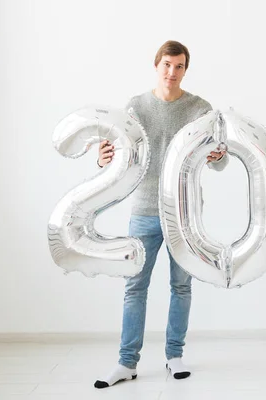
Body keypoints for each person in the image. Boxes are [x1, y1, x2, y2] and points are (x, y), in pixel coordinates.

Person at [94, 40, 227, 389]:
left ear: (186, 69)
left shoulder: (200, 108)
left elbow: (221, 159)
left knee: (181, 286)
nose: (172, 72)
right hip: (144, 209)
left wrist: (216, 156)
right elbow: (121, 154)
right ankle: (127, 362)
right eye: (167, 64)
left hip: (184, 214)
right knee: (134, 286)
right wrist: (103, 158)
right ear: (157, 66)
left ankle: (174, 355)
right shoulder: (136, 106)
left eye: (179, 66)